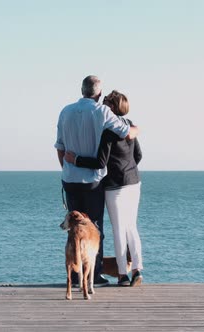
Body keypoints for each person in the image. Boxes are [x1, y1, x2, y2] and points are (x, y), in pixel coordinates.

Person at [55, 75, 139, 287]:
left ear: (81, 90)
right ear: (99, 94)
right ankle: (94, 275)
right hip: (93, 181)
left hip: (70, 179)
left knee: (74, 227)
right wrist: (137, 129)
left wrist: (66, 170)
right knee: (94, 228)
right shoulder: (102, 112)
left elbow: (60, 147)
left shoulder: (65, 112)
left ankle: (74, 276)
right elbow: (126, 133)